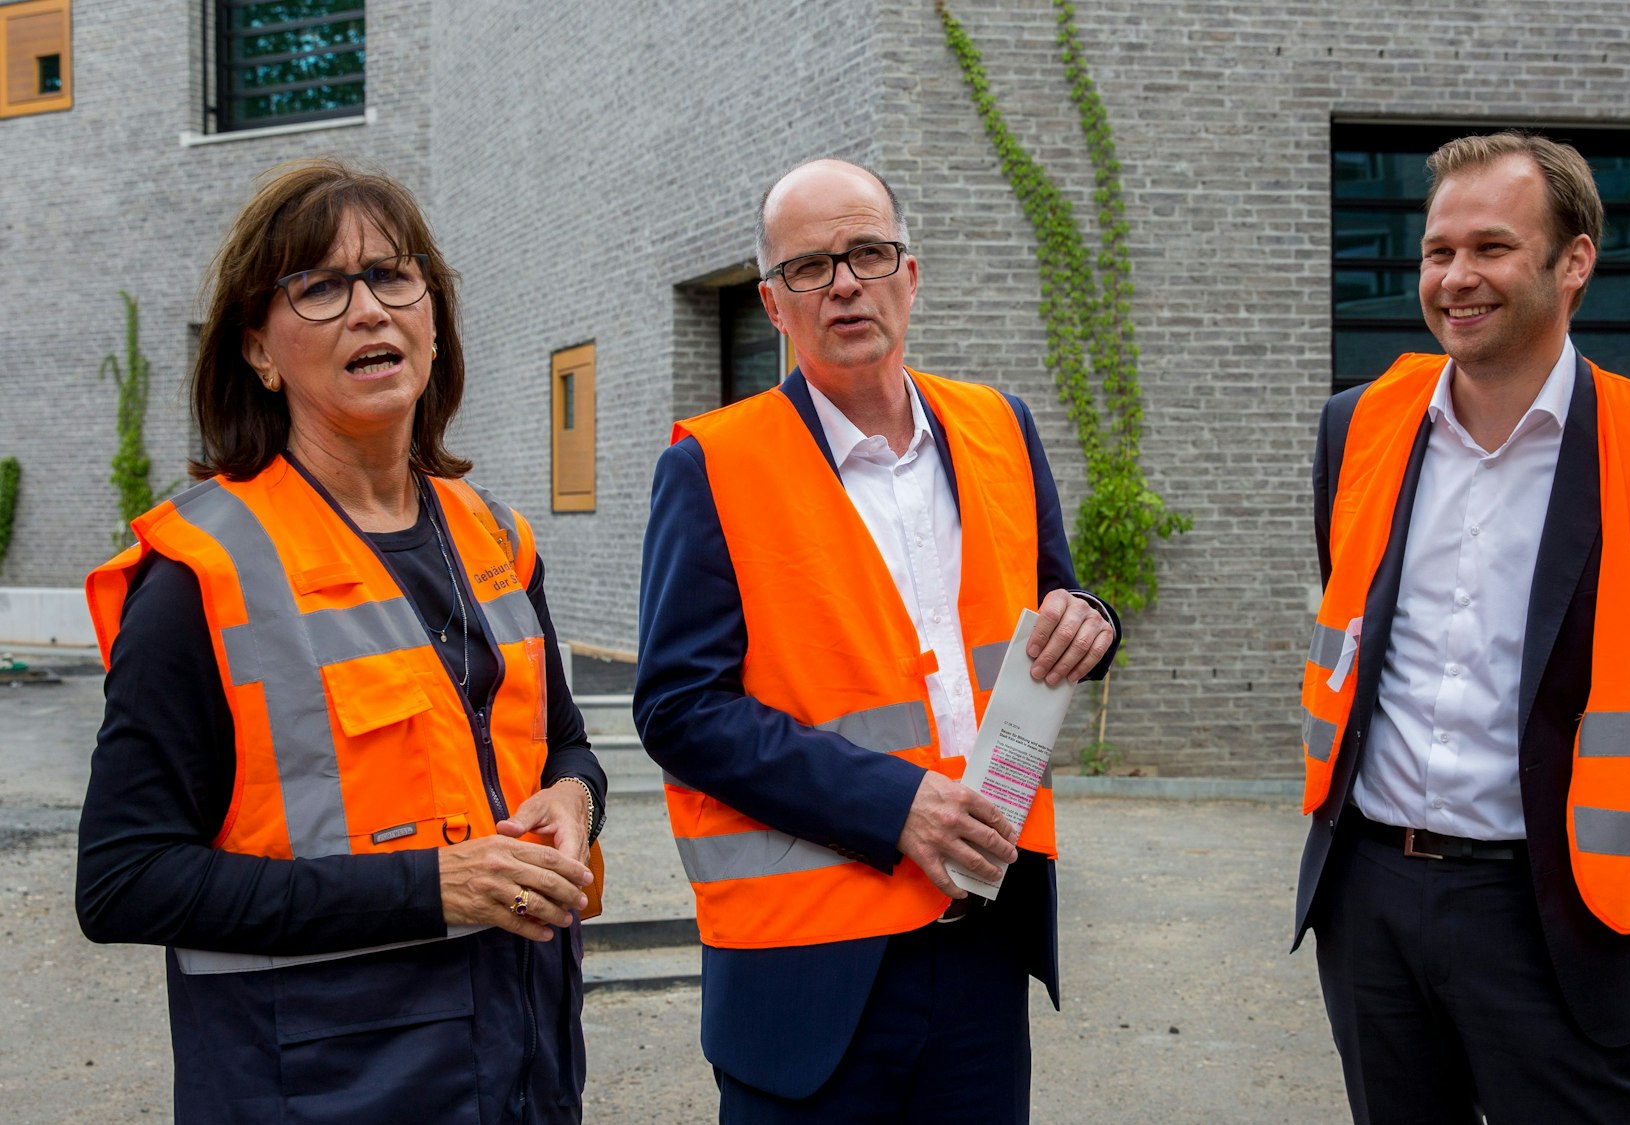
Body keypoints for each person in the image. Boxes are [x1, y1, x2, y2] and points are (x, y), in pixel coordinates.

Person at [74, 158, 605, 1123]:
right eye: (319, 286)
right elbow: (123, 881)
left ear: (433, 321)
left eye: (393, 276)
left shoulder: (497, 537)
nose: (368, 308)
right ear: (259, 351)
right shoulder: (201, 575)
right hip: (320, 1085)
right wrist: (430, 887)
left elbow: (563, 745)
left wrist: (577, 798)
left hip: (524, 1066)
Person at [635, 157, 1120, 1123]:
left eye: (867, 251)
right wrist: (896, 804)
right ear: (773, 304)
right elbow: (680, 710)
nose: (845, 281)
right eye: (810, 267)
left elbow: (1058, 599)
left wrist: (1093, 624)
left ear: (911, 272)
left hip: (982, 937)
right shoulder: (711, 465)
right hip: (807, 970)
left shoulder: (1001, 427)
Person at [1293, 132, 1630, 1122]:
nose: (1455, 278)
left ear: (1572, 260)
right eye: (1436, 251)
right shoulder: (1355, 427)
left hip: (1554, 913)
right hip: (1369, 892)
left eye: (1490, 248)